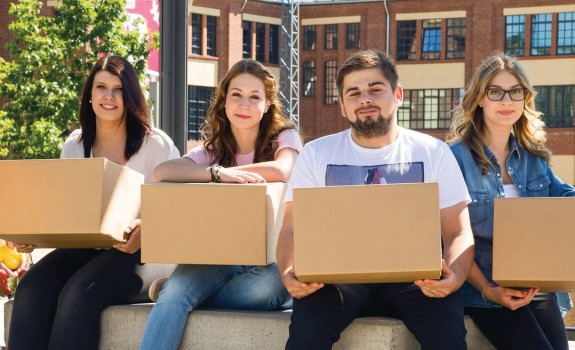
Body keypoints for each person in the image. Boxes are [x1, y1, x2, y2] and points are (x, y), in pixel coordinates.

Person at [276, 49, 475, 350]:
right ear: (342, 106)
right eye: (354, 93)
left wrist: (455, 276)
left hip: (415, 277)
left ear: (397, 94)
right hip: (339, 278)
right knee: (306, 333)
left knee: (447, 335)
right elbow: (291, 228)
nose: (365, 99)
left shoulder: (432, 152)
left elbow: (458, 231)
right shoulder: (317, 153)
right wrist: (288, 272)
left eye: (375, 89)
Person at [8, 55, 180, 350]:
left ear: (131, 96)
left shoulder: (156, 144)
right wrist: (33, 236)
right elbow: (66, 210)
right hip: (85, 249)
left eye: (118, 89)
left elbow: (180, 207)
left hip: (144, 256)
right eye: (101, 87)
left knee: (79, 291)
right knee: (31, 287)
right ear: (90, 95)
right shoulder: (74, 145)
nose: (109, 96)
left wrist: (147, 226)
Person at [140, 59, 301, 350]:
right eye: (236, 95)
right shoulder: (215, 149)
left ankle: (195, 293)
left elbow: (282, 170)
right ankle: (178, 289)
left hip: (269, 260)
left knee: (274, 287)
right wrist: (218, 173)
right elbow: (163, 171)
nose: (245, 104)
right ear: (225, 101)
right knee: (175, 295)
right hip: (216, 255)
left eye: (255, 97)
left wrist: (234, 173)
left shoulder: (283, 137)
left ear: (267, 105)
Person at [447, 52, 574, 350]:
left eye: (515, 92)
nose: (506, 101)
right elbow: (451, 238)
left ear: (525, 99)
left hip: (533, 284)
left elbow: (564, 199)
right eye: (496, 92)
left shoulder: (533, 156)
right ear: (480, 98)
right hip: (482, 291)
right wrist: (489, 290)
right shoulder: (455, 158)